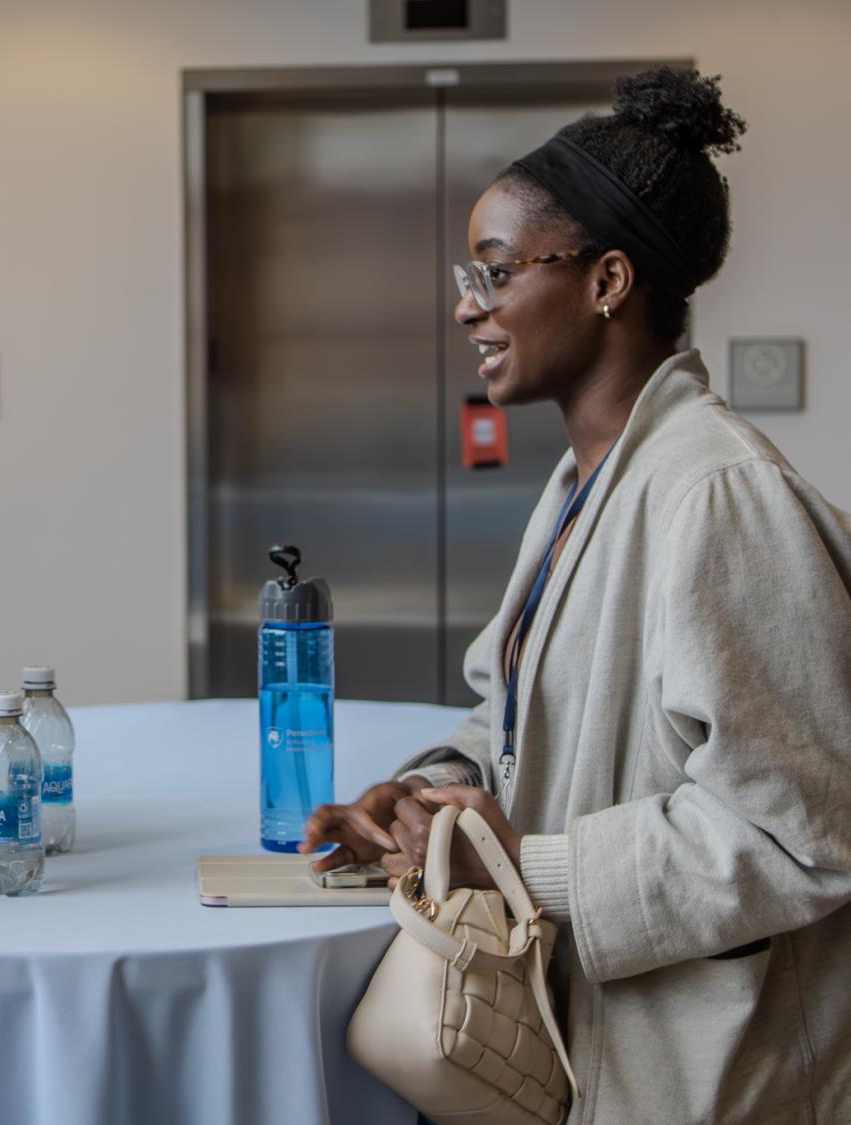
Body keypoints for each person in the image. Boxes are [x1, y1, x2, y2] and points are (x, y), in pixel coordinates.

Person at [303, 68, 851, 1122]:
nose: (469, 305)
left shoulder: (717, 493)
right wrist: (428, 797)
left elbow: (803, 834)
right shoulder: (585, 483)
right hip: (593, 1038)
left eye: (498, 271)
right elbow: (516, 716)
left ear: (607, 282)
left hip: (714, 1078)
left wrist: (532, 865)